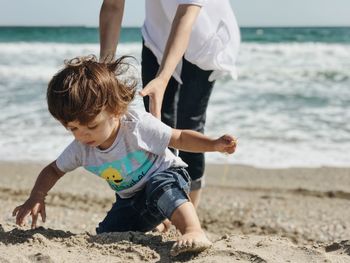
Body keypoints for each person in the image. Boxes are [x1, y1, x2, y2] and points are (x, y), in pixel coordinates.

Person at [12, 56, 237, 256]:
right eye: (73, 129)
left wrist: (214, 144)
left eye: (91, 125)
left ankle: (193, 230)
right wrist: (36, 196)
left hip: (169, 178)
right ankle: (159, 223)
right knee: (107, 233)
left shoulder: (136, 125)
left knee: (161, 185)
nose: (83, 135)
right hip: (131, 198)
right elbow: (53, 170)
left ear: (116, 110)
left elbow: (178, 138)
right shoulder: (81, 148)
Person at [99, 0, 240, 208]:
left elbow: (185, 16)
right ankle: (158, 204)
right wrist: (104, 69)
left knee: (188, 123)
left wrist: (163, 79)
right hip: (157, 34)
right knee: (154, 124)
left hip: (203, 38)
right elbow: (113, 5)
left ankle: (188, 210)